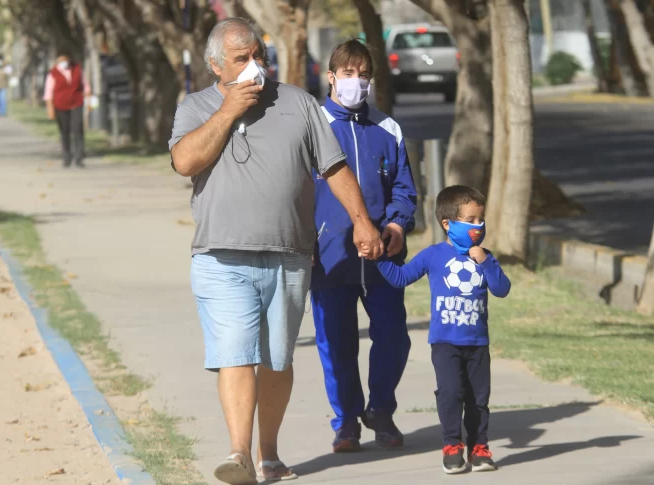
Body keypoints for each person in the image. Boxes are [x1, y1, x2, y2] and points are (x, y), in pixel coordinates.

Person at [169, 18, 384, 485]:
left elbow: (334, 168)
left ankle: (268, 454)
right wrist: (228, 110)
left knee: (277, 360)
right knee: (235, 354)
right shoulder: (196, 107)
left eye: (258, 56)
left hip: (289, 255)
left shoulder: (299, 104)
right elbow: (185, 161)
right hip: (221, 256)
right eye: (240, 60)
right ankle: (238, 454)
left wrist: (363, 222)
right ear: (214, 65)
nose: (254, 67)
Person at [310, 39, 417, 453]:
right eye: (349, 74)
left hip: (384, 259)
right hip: (329, 258)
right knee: (336, 343)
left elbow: (405, 189)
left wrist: (396, 224)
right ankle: (346, 422)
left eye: (364, 75)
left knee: (394, 337)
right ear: (332, 77)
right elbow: (296, 192)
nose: (357, 82)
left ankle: (381, 411)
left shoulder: (387, 129)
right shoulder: (313, 126)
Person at [375, 185, 511, 474]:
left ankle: (479, 447)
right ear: (448, 224)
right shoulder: (433, 255)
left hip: (477, 342)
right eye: (471, 220)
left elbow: (502, 289)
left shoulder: (485, 256)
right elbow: (400, 278)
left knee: (478, 398)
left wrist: (485, 262)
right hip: (445, 342)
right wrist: (378, 258)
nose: (478, 226)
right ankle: (452, 445)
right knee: (450, 393)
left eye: (481, 220)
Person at [43, 52, 91, 168]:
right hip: (60, 105)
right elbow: (48, 93)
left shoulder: (77, 69)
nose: (64, 62)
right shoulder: (53, 73)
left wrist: (89, 101)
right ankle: (66, 156)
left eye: (65, 60)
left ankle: (79, 157)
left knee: (78, 128)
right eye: (61, 60)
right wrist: (50, 110)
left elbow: (85, 86)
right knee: (65, 130)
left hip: (76, 103)